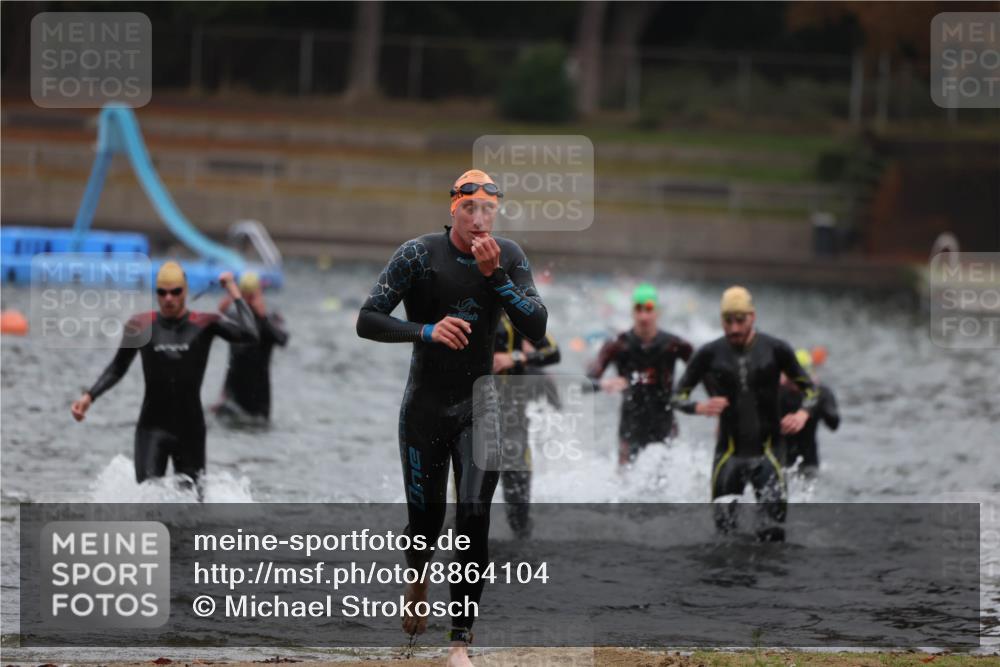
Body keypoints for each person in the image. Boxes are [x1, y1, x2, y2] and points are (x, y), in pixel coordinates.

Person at [356, 169, 546, 666]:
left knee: (475, 516)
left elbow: (538, 326)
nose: (479, 220)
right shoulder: (418, 254)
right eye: (469, 209)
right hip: (424, 408)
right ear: (452, 210)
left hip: (481, 407)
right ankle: (417, 577)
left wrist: (496, 277)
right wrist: (425, 331)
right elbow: (368, 319)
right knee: (426, 522)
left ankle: (460, 642)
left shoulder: (509, 255)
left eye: (488, 210)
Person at [70, 263, 258, 496]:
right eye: (162, 292)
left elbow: (251, 333)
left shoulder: (205, 323)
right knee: (148, 502)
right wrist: (90, 396)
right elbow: (117, 368)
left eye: (175, 292)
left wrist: (233, 290)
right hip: (152, 429)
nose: (168, 298)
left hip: (191, 431)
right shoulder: (140, 325)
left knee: (192, 512)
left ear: (185, 291)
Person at [673, 286, 816, 542]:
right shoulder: (709, 353)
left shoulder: (776, 349)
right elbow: (676, 396)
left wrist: (803, 414)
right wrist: (697, 407)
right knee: (723, 537)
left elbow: (812, 392)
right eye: (728, 321)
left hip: (769, 454)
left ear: (753, 317)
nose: (735, 328)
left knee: (773, 535)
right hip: (728, 455)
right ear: (721, 321)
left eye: (740, 320)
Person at [586, 283, 693, 466]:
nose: (644, 315)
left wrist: (683, 396)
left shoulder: (674, 344)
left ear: (657, 312)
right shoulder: (617, 345)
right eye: (638, 309)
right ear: (632, 312)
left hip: (665, 426)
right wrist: (603, 384)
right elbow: (585, 383)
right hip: (630, 428)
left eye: (649, 309)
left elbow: (703, 373)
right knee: (626, 486)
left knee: (668, 485)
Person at [493, 312, 560, 539]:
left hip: (514, 425)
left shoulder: (516, 313)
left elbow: (553, 352)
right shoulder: (463, 306)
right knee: (466, 509)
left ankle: (521, 555)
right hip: (472, 422)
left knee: (519, 519)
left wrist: (514, 358)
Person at [213, 271, 289, 423]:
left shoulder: (271, 318)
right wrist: (219, 311)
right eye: (244, 295)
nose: (248, 301)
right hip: (230, 397)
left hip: (258, 401)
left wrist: (263, 318)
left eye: (251, 295)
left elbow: (282, 340)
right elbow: (207, 332)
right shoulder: (234, 317)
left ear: (259, 292)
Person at [778, 349, 840, 478]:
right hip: (779, 463)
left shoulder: (821, 392)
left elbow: (834, 424)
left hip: (809, 464)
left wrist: (819, 399)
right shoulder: (775, 392)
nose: (794, 383)